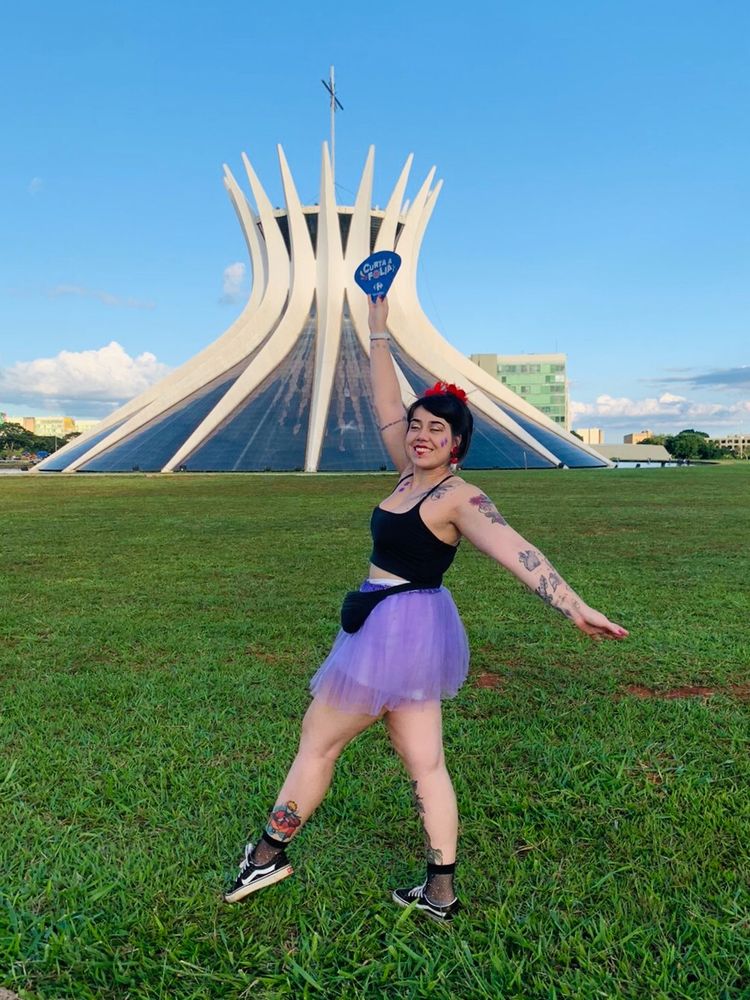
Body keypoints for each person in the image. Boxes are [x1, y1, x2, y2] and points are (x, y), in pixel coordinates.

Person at [224, 295, 628, 923]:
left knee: (318, 743)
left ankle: (267, 856)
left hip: (394, 631)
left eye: (437, 429)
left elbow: (518, 550)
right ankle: (440, 892)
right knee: (426, 765)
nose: (421, 434)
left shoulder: (459, 496)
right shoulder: (408, 474)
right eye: (417, 426)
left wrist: (574, 606)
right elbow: (387, 402)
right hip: (404, 627)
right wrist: (378, 332)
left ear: (457, 444)